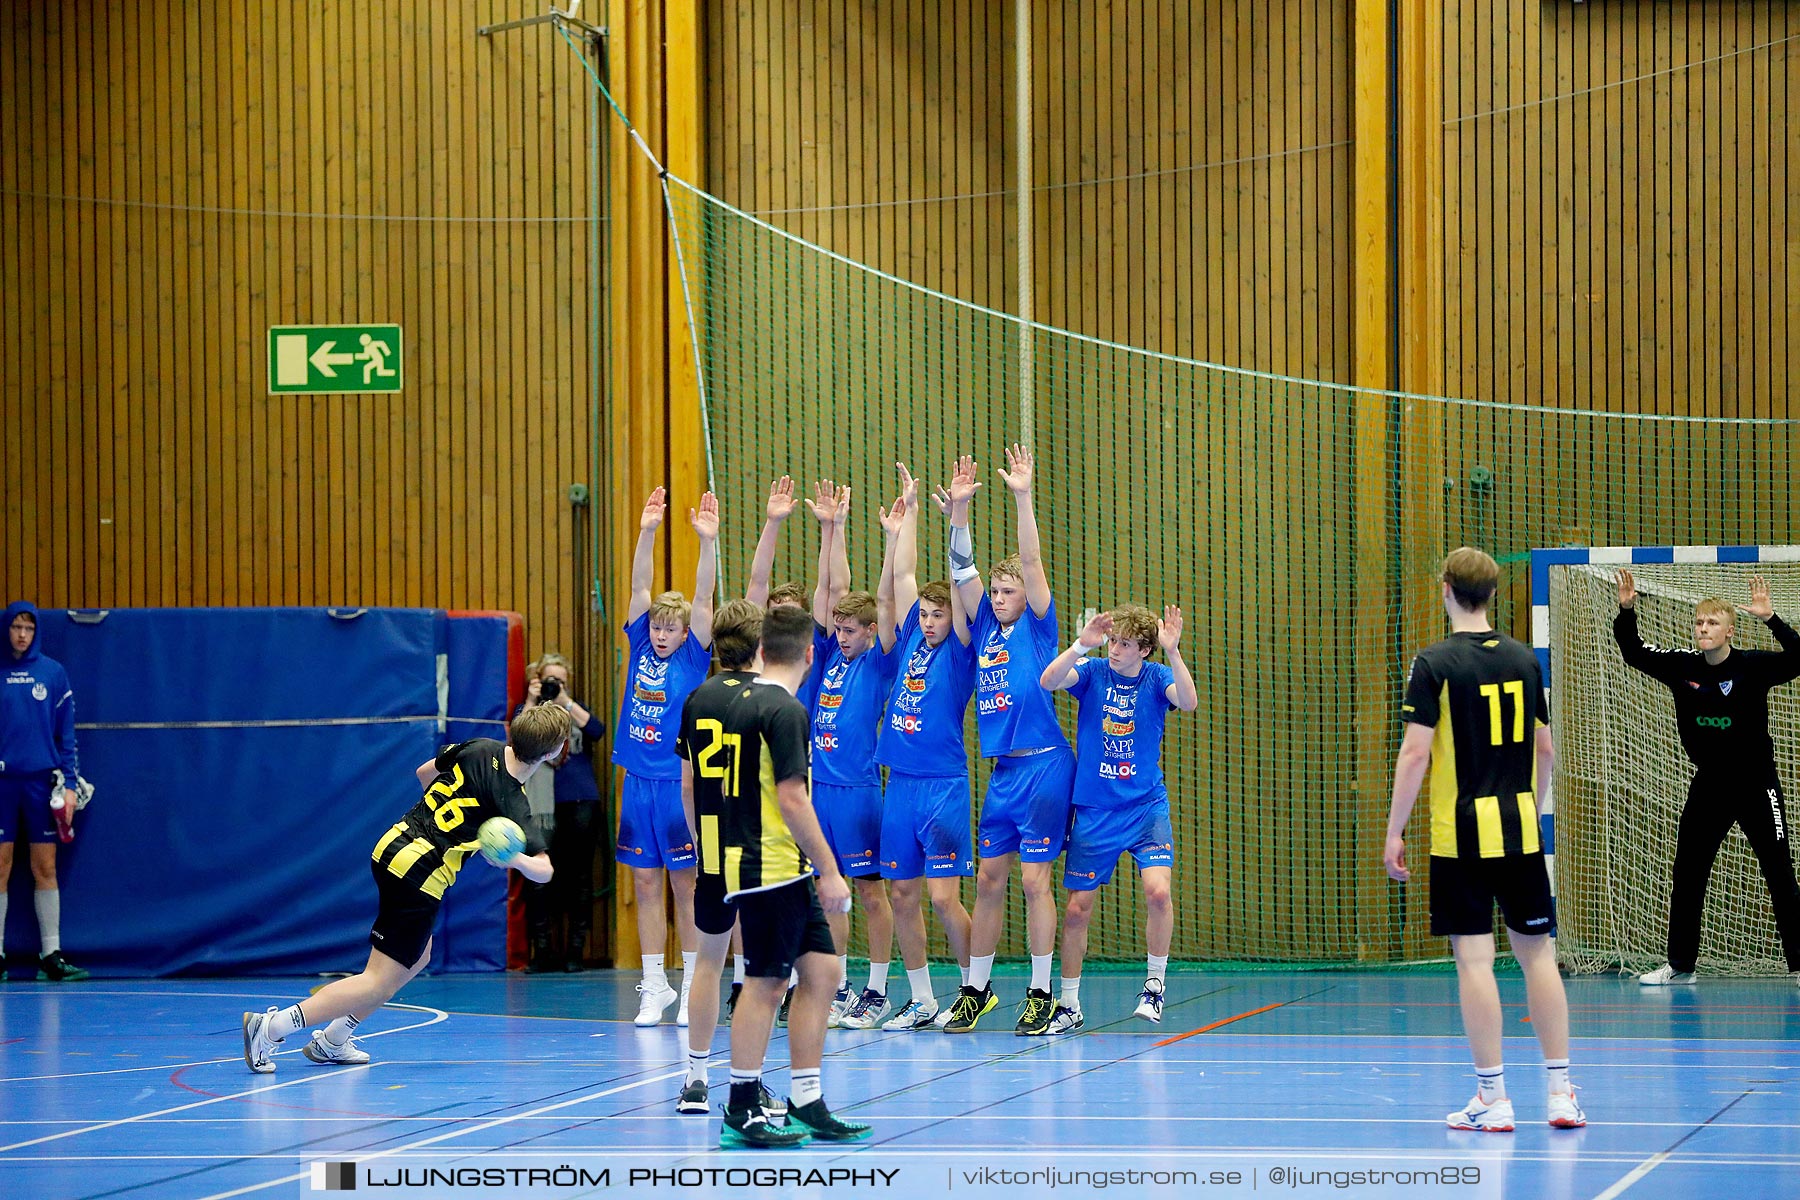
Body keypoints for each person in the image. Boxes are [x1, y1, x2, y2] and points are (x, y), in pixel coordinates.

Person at [242, 704, 571, 1072]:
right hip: (419, 875)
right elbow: (544, 872)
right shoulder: (513, 803)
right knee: (377, 982)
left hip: (393, 845)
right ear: (553, 751)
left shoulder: (479, 746)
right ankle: (270, 1028)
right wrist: (515, 859)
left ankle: (333, 1041)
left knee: (418, 957)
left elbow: (424, 772)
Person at [1384, 547, 1585, 1131]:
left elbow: (1416, 752)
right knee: (1537, 955)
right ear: (1492, 593)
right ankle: (1560, 1092)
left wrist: (1394, 831)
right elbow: (1546, 749)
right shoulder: (1525, 658)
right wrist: (1532, 803)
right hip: (1520, 826)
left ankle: (1494, 1100)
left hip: (1459, 833)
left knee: (1475, 960)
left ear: (1443, 587)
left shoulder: (1433, 662)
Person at [677, 603, 871, 1148]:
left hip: (772, 861)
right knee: (765, 983)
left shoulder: (735, 700)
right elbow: (792, 796)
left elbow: (695, 782)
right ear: (812, 655)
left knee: (825, 970)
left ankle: (806, 1100)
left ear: (762, 652)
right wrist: (831, 871)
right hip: (767, 865)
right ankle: (742, 1105)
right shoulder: (783, 710)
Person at [1613, 569, 1800, 987]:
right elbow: (1633, 651)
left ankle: (1799, 962)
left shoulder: (1754, 666)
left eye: (1712, 622)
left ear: (1730, 630)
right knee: (1689, 870)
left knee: (1779, 872)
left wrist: (1772, 619)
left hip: (1757, 784)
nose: (1703, 628)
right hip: (1710, 786)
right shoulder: (1682, 667)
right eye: (1699, 623)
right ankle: (1681, 966)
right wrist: (1627, 611)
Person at [941, 447, 1073, 1035]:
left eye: (1007, 591)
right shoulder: (986, 631)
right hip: (1004, 774)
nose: (998, 598)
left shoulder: (1040, 626)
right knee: (990, 878)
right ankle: (975, 989)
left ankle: (1042, 993)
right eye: (995, 592)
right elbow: (960, 575)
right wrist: (960, 515)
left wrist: (1021, 495)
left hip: (1045, 766)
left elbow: (1033, 559)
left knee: (1032, 879)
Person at [1039, 603, 1196, 1030]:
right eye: (1113, 640)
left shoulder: (1157, 677)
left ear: (1145, 649)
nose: (1115, 649)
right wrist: (1080, 645)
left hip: (1145, 807)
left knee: (1159, 893)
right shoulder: (1092, 673)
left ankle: (1154, 987)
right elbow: (1048, 680)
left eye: (1125, 643)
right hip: (1095, 811)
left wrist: (1174, 652)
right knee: (1077, 910)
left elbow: (1189, 700)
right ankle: (1069, 1005)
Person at [873, 464, 977, 1031]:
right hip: (901, 784)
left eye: (939, 614)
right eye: (928, 614)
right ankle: (922, 998)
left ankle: (972, 987)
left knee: (942, 898)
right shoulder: (911, 632)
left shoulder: (961, 650)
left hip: (942, 786)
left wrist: (955, 516)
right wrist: (906, 516)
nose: (932, 621)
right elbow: (901, 579)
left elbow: (960, 596)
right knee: (903, 894)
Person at [614, 487, 718, 1027]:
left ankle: (694, 978)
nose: (659, 633)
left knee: (686, 882)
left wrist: (707, 543)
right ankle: (654, 985)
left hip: (680, 784)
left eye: (668, 628)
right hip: (638, 781)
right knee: (646, 882)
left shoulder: (694, 654)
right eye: (655, 625)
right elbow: (637, 585)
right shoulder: (639, 644)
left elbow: (703, 600)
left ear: (685, 634)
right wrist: (648, 531)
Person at [0, 601, 88, 982]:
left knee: (45, 868)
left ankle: (50, 955)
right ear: (6, 629)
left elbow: (66, 737)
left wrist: (69, 785)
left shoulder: (53, 673)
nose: (22, 634)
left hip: (41, 784)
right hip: (2, 784)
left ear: (36, 632)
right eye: (16, 627)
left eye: (28, 628)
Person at [517, 653, 606, 973]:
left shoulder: (573, 706)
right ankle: (542, 951)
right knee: (537, 877)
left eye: (560, 681)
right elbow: (518, 736)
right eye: (549, 680)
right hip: (540, 807)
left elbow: (597, 730)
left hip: (579, 800)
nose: (554, 686)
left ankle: (575, 952)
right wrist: (532, 698)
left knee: (578, 877)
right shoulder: (530, 711)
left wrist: (565, 699)